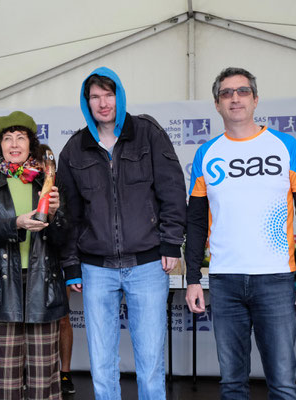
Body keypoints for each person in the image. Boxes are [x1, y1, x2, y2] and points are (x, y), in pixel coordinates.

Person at [185, 67, 296, 399]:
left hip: (275, 279)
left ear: (256, 99)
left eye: (243, 91)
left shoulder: (285, 146)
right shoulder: (206, 154)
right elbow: (196, 222)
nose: (235, 98)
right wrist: (191, 278)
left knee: (283, 384)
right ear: (216, 104)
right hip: (224, 280)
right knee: (232, 384)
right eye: (226, 93)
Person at [57, 67, 187, 399]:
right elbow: (69, 215)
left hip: (147, 265)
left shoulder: (148, 133)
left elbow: (172, 191)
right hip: (95, 268)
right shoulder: (75, 148)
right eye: (95, 97)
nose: (103, 103)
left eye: (108, 94)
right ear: (86, 102)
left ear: (120, 95)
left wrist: (171, 243)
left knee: (151, 363)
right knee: (102, 366)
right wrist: (71, 266)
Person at [0, 111, 69, 400]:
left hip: (43, 283)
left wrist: (55, 214)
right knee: (7, 375)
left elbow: (63, 237)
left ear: (30, 144)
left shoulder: (48, 183)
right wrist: (17, 223)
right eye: (7, 139)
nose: (14, 144)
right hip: (3, 285)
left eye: (21, 138)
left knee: (44, 375)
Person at [59, 288, 75, 394]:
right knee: (21, 317)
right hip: (23, 273)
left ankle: (65, 374)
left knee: (63, 318)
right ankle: (20, 373)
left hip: (56, 272)